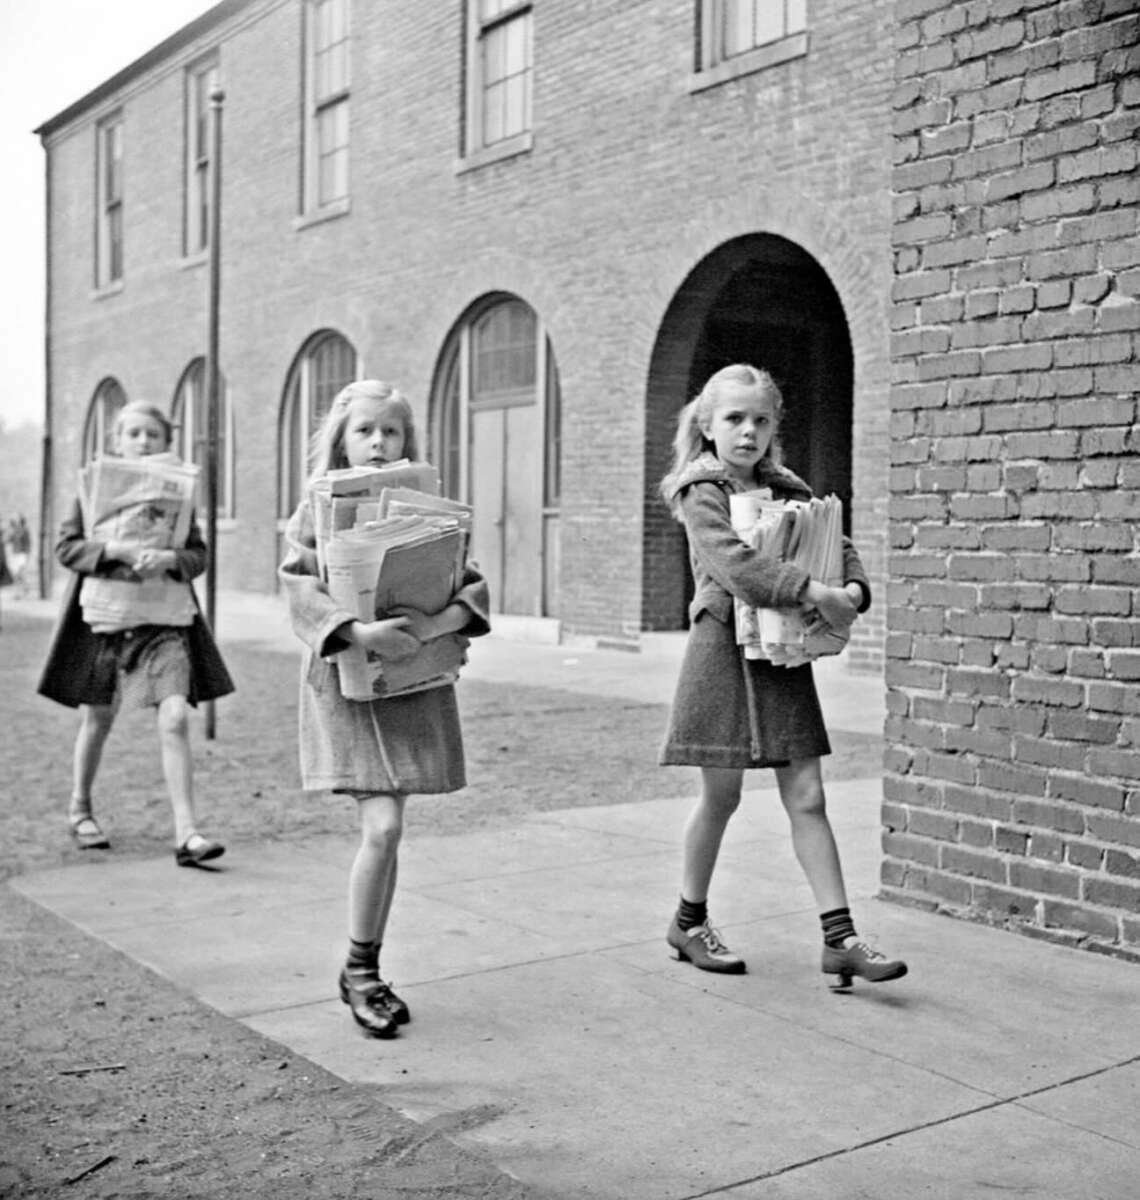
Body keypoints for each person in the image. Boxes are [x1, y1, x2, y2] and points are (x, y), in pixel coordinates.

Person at [659, 363, 907, 990]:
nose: (748, 432)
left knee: (808, 796)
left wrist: (852, 586)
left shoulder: (787, 487)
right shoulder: (701, 491)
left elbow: (834, 539)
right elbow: (736, 566)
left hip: (782, 657)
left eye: (761, 420)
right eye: (735, 419)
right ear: (708, 425)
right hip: (722, 655)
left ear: (774, 427)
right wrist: (815, 590)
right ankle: (688, 922)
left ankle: (840, 939)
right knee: (721, 797)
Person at [279, 380, 490, 1039]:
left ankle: (361, 967)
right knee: (384, 827)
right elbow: (298, 586)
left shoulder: (429, 509)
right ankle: (362, 971)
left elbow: (471, 585)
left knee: (388, 828)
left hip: (412, 677)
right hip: (349, 681)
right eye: (365, 430)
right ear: (342, 440)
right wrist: (358, 632)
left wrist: (434, 625)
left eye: (390, 431)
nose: (378, 442)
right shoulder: (312, 512)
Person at [37, 402, 234, 865]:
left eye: (153, 435)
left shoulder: (180, 491)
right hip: (104, 624)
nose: (143, 442)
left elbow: (197, 554)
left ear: (167, 443)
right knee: (98, 718)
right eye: (134, 434)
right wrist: (113, 550)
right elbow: (67, 547)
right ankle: (80, 807)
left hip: (163, 625)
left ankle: (187, 833)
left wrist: (172, 560)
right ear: (117, 441)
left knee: (174, 717)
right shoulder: (93, 488)